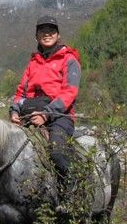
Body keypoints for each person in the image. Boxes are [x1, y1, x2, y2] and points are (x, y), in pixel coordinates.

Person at [9, 15, 82, 206]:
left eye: (51, 30)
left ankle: (72, 192)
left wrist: (46, 114)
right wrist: (14, 111)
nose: (47, 33)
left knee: (57, 152)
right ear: (36, 36)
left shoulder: (69, 59)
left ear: (58, 35)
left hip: (60, 116)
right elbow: (21, 92)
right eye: (42, 30)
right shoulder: (33, 63)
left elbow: (70, 92)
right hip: (31, 114)